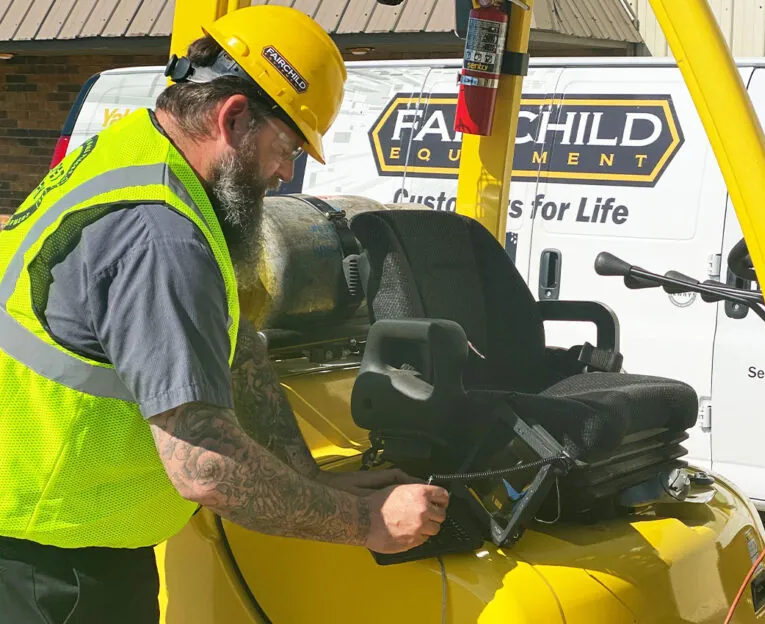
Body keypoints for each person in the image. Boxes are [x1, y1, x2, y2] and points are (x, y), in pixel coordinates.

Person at [0, 5, 449, 622]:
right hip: (51, 569)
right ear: (233, 117)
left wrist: (308, 477)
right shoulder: (161, 237)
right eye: (286, 146)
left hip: (58, 538)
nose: (284, 172)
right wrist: (365, 521)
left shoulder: (136, 152)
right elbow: (207, 467)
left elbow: (237, 345)